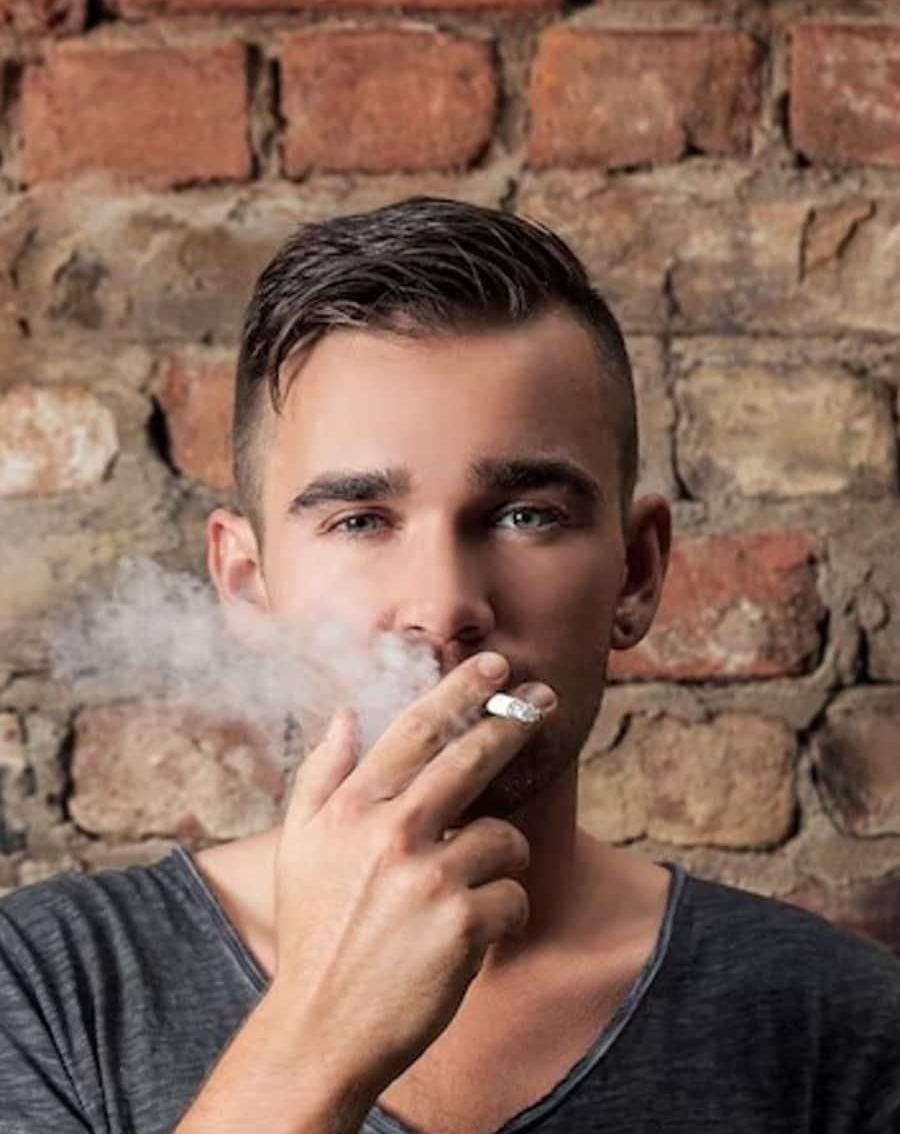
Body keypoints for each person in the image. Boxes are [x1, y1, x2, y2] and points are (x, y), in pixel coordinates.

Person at [1, 198, 898, 1134]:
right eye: (360, 521)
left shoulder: (841, 1026)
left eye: (526, 515)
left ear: (635, 574)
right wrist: (318, 1034)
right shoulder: (45, 992)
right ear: (247, 586)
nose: (443, 607)